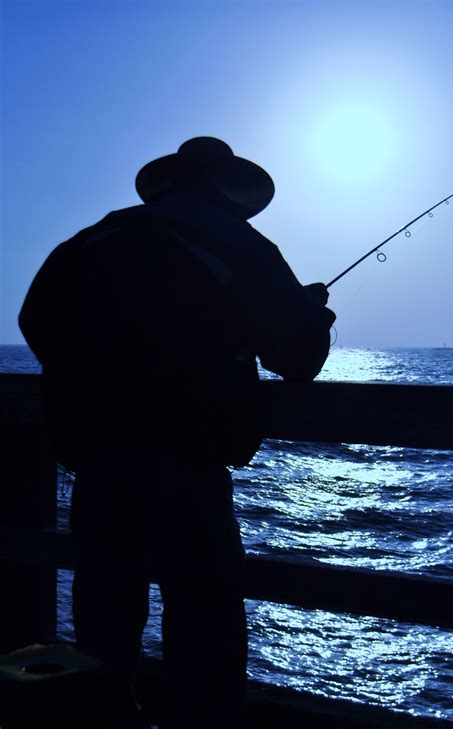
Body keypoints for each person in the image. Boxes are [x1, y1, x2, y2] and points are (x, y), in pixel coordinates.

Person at [18, 137, 336, 728]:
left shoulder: (97, 236)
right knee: (204, 625)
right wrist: (313, 315)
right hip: (189, 466)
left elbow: (33, 318)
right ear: (225, 186)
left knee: (103, 626)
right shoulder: (237, 240)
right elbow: (296, 356)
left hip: (99, 467)